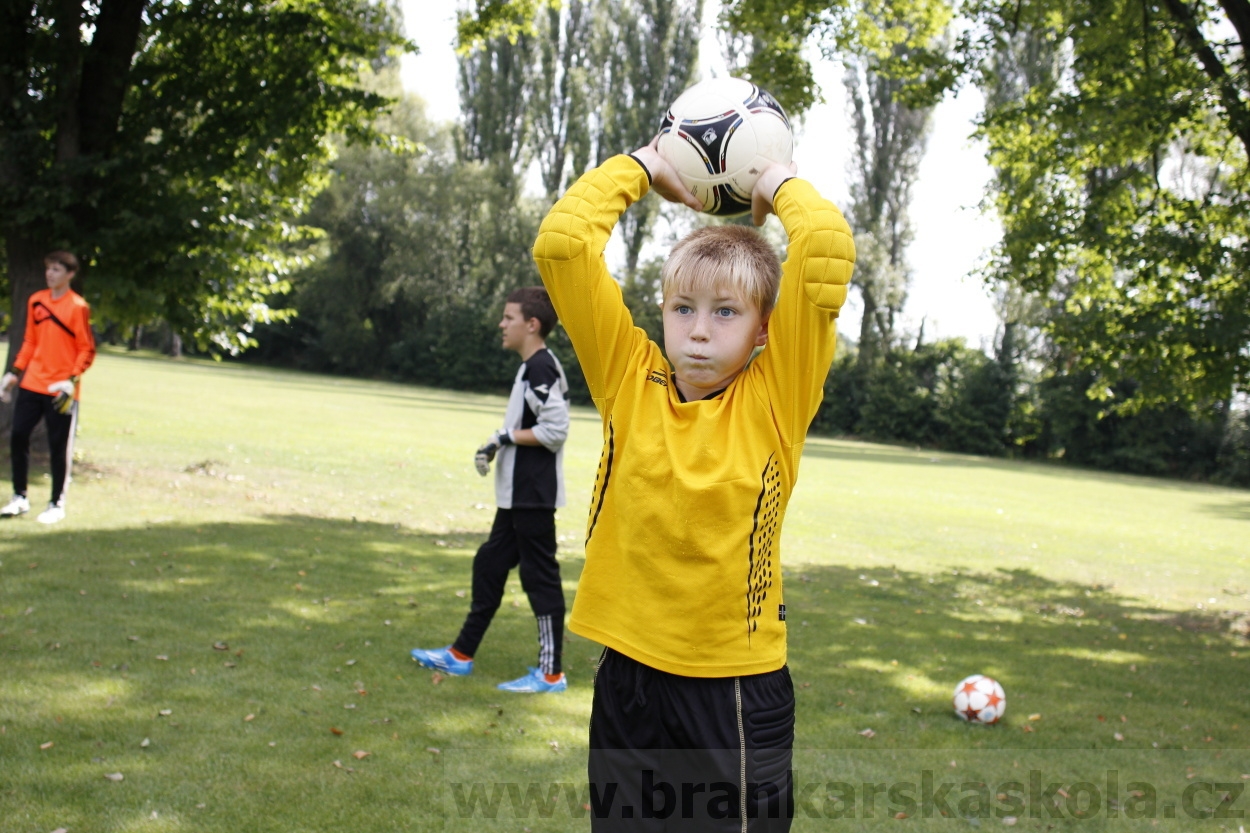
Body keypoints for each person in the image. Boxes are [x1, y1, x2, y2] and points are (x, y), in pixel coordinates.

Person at [532, 138, 855, 830]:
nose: (699, 332)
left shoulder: (778, 393)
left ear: (764, 328)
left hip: (731, 689)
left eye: (725, 312)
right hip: (628, 677)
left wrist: (773, 180)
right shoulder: (629, 375)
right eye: (683, 309)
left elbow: (826, 249)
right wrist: (646, 167)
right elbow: (562, 246)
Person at [410, 286, 572, 693]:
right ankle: (461, 655)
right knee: (490, 566)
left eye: (509, 317)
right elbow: (532, 427)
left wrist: (503, 437)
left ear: (531, 324)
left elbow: (556, 430)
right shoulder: (529, 366)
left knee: (540, 579)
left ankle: (551, 674)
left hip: (532, 496)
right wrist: (500, 440)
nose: (502, 324)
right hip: (517, 497)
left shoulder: (541, 367)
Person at [0, 251, 96, 525]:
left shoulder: (78, 307)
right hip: (33, 382)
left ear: (70, 274)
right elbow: (30, 341)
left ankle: (57, 503)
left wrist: (72, 379)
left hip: (61, 389)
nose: (50, 274)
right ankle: (19, 497)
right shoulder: (36, 301)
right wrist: (14, 373)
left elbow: (86, 349)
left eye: (56, 269)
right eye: (48, 269)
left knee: (57, 446)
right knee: (18, 435)